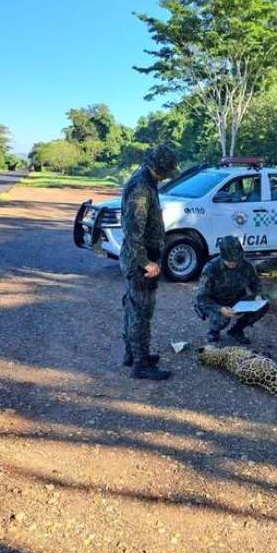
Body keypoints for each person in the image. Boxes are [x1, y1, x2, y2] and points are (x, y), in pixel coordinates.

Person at [120, 144, 178, 380]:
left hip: (140, 257)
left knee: (133, 307)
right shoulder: (142, 187)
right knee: (141, 313)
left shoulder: (145, 179)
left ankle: (132, 354)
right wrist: (146, 262)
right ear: (160, 168)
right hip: (140, 261)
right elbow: (134, 231)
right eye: (168, 171)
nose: (168, 176)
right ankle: (141, 363)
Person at [194, 236, 268, 344]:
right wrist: (219, 308)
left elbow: (256, 284)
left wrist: (258, 295)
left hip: (235, 300)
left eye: (236, 260)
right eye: (229, 260)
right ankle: (213, 331)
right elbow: (201, 297)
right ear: (222, 256)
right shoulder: (211, 269)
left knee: (263, 304)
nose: (233, 263)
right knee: (222, 319)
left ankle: (237, 330)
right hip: (214, 302)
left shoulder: (246, 265)